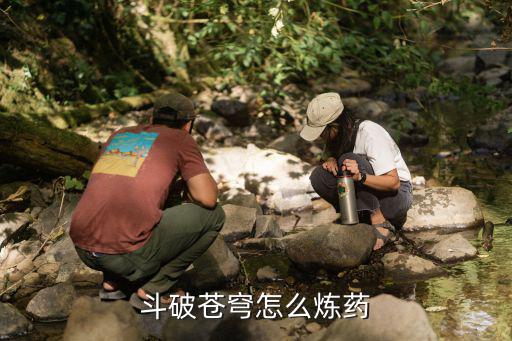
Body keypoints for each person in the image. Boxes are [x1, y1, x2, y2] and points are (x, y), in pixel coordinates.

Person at [70, 92, 225, 309]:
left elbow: (114, 189)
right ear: (188, 124)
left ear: (152, 118)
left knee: (131, 203)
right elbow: (208, 199)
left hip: (83, 248)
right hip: (122, 254)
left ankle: (112, 284)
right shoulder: (180, 139)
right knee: (215, 216)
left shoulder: (120, 135)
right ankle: (154, 289)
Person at [300, 92, 413, 250]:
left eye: (322, 132)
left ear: (335, 126)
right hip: (369, 193)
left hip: (396, 196)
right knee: (319, 176)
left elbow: (393, 183)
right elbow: (327, 158)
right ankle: (355, 216)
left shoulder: (369, 133)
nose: (320, 137)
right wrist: (330, 160)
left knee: (349, 159)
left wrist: (360, 177)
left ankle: (379, 220)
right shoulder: (337, 137)